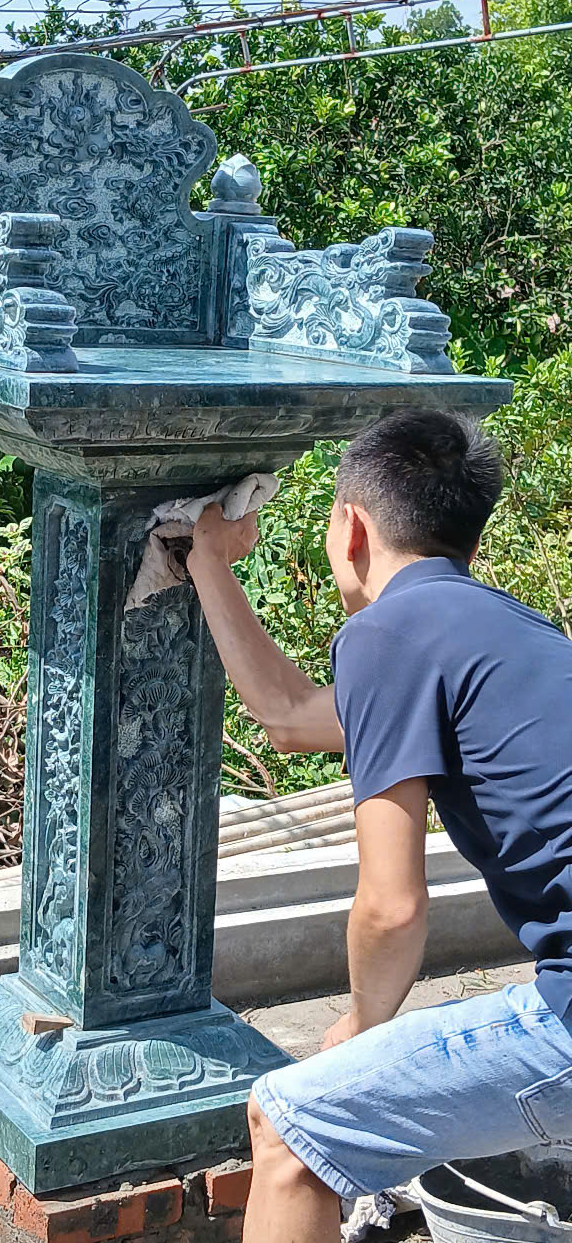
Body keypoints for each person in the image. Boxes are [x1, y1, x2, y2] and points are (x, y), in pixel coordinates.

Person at [187, 407, 572, 1243]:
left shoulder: (388, 634)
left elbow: (392, 907)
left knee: (293, 1124)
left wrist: (363, 1022)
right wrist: (207, 561)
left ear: (351, 528)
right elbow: (291, 716)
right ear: (470, 542)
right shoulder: (507, 633)